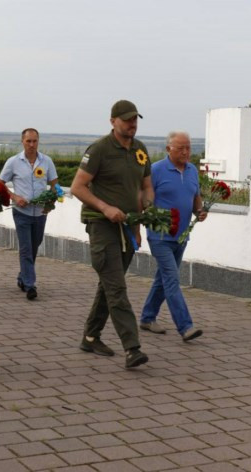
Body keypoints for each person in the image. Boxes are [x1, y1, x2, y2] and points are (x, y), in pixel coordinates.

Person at [70, 99, 154, 369]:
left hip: (128, 228)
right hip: (102, 227)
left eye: (135, 119)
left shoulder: (140, 150)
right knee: (117, 288)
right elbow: (78, 187)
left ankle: (90, 336)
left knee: (109, 286)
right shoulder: (99, 149)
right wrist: (105, 208)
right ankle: (132, 348)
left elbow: (145, 189)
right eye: (127, 119)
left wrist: (141, 220)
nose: (132, 124)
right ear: (113, 121)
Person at [139, 131, 206, 342]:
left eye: (188, 147)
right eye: (181, 148)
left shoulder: (192, 170)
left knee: (163, 278)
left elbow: (195, 196)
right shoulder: (156, 170)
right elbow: (143, 199)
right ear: (168, 149)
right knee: (171, 279)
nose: (186, 152)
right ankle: (185, 326)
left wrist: (200, 211)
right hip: (159, 236)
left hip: (181, 236)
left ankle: (148, 317)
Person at [0, 128, 58, 301]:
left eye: (35, 141)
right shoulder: (13, 162)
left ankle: (22, 277)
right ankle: (30, 286)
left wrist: (51, 203)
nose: (32, 145)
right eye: (28, 141)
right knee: (25, 248)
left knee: (34, 246)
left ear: (38, 141)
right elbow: (0, 184)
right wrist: (14, 197)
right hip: (21, 212)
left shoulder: (47, 161)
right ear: (22, 141)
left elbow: (55, 185)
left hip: (40, 213)